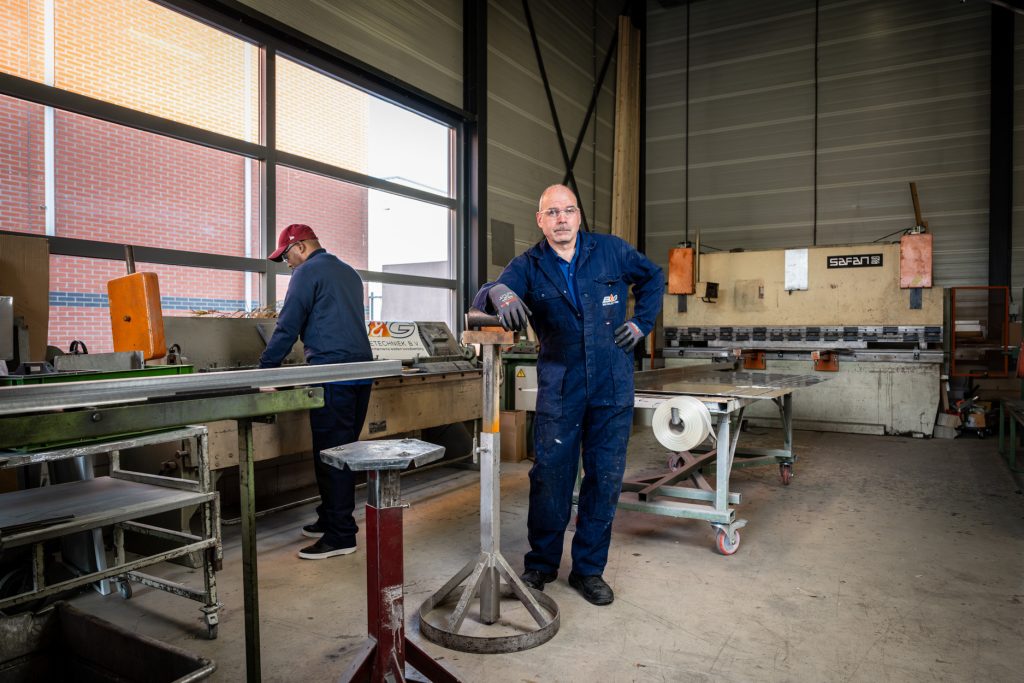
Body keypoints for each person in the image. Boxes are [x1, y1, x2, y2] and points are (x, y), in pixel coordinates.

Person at [473, 184, 663, 605]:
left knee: (604, 478)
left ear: (579, 217)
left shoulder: (611, 250)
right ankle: (540, 564)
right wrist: (498, 291)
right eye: (552, 212)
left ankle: (588, 570)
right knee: (551, 476)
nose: (562, 219)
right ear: (540, 221)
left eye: (569, 211)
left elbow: (653, 277)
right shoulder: (530, 264)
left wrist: (641, 323)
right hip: (561, 387)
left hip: (612, 385)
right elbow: (490, 292)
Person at [259, 223, 373, 560]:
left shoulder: (307, 272)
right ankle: (329, 517)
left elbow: (288, 324)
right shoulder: (349, 273)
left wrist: (265, 369)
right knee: (342, 453)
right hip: (361, 374)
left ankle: (341, 535)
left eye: (287, 257)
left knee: (331, 456)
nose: (288, 264)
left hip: (333, 376)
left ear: (301, 246)